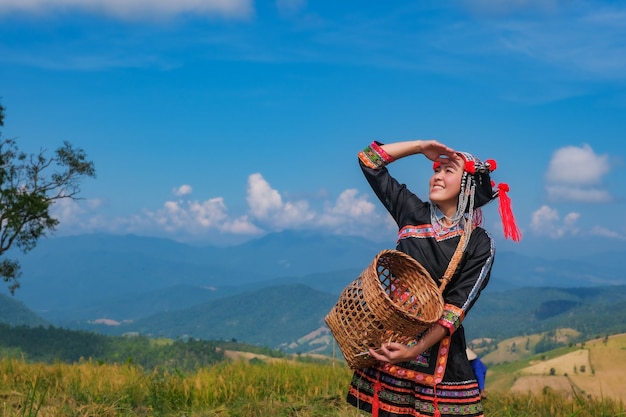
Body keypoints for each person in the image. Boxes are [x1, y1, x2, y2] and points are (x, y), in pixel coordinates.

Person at [346, 140, 520, 417]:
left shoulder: (478, 243)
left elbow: (456, 309)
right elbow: (368, 160)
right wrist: (420, 146)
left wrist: (414, 349)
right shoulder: (411, 213)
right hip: (392, 342)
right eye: (436, 169)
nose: (437, 175)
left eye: (448, 171)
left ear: (468, 185)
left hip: (441, 354)